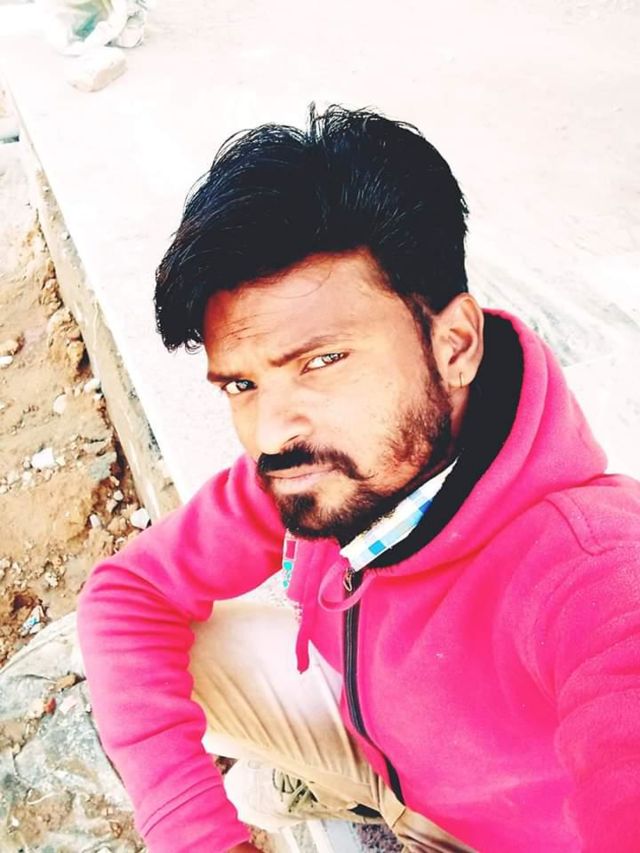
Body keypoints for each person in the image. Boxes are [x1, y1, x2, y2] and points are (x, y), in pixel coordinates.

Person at [77, 106, 640, 853]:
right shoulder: (329, 465)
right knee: (184, 688)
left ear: (454, 345)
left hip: (506, 830)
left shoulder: (596, 576)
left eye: (321, 361)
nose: (271, 434)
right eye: (242, 384)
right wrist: (193, 833)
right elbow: (124, 595)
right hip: (381, 740)